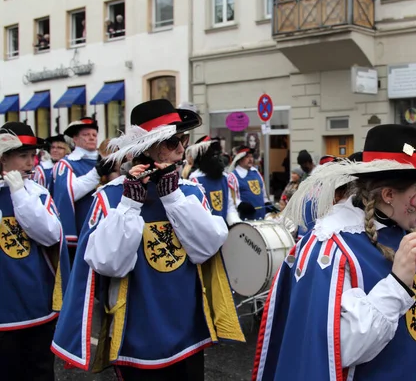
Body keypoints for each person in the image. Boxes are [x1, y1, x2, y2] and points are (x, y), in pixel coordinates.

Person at [254, 125, 416, 381]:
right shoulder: (331, 247)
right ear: (387, 195)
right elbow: (334, 350)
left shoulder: (412, 228)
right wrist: (396, 286)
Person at [51, 99, 244, 380]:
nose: (182, 149)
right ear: (147, 148)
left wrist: (173, 198)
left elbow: (207, 247)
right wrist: (130, 205)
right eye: (173, 142)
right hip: (136, 336)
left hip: (188, 331)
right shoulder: (111, 197)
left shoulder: (190, 191)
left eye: (183, 140)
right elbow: (108, 263)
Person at [0, 122, 70, 381]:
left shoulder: (37, 194)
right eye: (22, 156)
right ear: (3, 158)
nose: (31, 163)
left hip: (36, 303)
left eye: (33, 156)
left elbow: (50, 234)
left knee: (39, 372)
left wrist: (19, 194)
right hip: (3, 308)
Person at [52, 117, 112, 260]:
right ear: (75, 139)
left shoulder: (106, 160)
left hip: (107, 226)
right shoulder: (66, 164)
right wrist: (96, 174)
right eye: (86, 135)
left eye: (94, 135)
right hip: (82, 227)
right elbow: (69, 193)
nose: (91, 138)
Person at [187, 135, 241, 226]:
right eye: (214, 155)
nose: (220, 159)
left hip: (224, 230)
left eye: (219, 154)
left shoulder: (224, 178)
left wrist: (235, 223)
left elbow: (229, 205)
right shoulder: (195, 180)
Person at [228, 145, 273, 220]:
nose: (250, 159)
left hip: (261, 217)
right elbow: (232, 200)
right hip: (244, 219)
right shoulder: (232, 176)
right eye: (247, 157)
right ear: (239, 159)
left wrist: (267, 204)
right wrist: (241, 205)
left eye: (251, 157)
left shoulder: (256, 173)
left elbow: (263, 193)